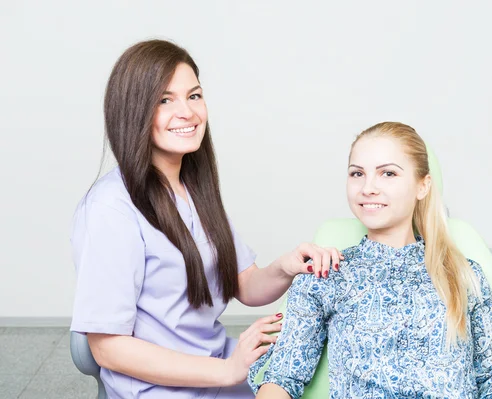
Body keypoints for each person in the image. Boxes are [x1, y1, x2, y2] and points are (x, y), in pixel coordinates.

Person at [70, 39, 341, 399]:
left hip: (216, 370)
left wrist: (287, 267)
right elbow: (107, 347)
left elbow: (244, 283)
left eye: (194, 95)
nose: (187, 112)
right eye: (165, 100)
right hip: (161, 389)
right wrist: (227, 369)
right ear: (133, 110)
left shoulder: (192, 189)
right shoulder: (110, 208)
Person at [250, 122, 492, 398]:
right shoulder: (325, 276)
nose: (368, 188)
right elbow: (282, 378)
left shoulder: (464, 275)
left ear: (422, 186)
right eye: (357, 174)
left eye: (387, 173)